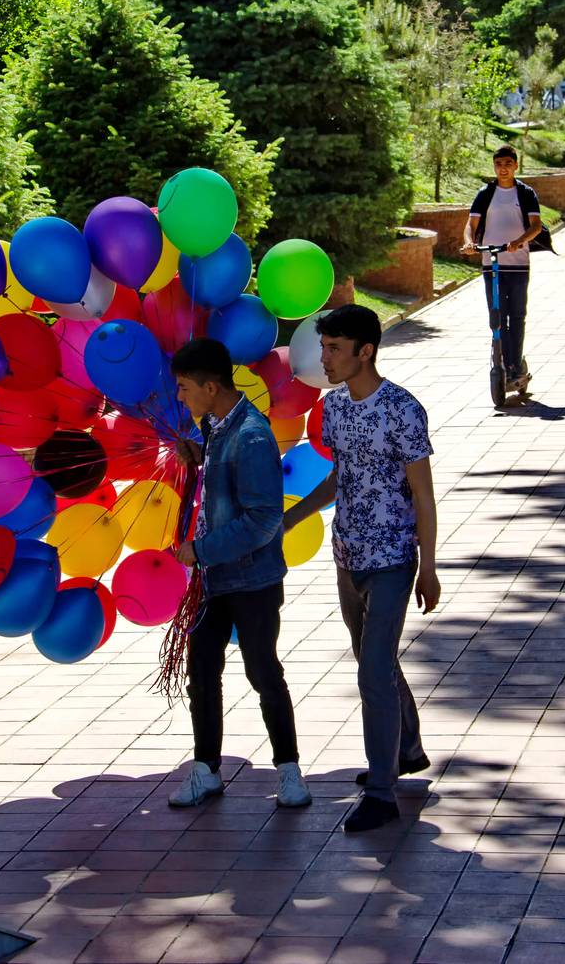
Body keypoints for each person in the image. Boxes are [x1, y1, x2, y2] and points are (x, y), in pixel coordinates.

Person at [282, 305, 440, 834]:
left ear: (365, 351)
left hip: (393, 559)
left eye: (333, 349)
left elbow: (423, 494)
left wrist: (429, 567)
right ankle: (406, 749)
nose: (323, 358)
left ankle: (381, 793)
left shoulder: (402, 410)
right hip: (347, 557)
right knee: (375, 660)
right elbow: (340, 479)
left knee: (373, 670)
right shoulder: (333, 409)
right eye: (323, 347)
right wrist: (293, 516)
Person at [168, 338, 310, 810]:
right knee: (202, 674)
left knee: (263, 671)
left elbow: (263, 520)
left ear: (211, 387)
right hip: (214, 580)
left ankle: (289, 771)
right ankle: (205, 770)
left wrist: (201, 550)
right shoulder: (215, 426)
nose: (181, 396)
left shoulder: (250, 435)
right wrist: (199, 455)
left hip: (251, 580)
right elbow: (225, 482)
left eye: (185, 388)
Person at [461, 145, 544, 385]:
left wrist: (519, 241)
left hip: (518, 264)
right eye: (499, 164)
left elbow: (536, 226)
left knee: (517, 315)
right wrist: (469, 242)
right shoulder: (485, 194)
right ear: (494, 166)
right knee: (497, 316)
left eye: (508, 163)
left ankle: (515, 365)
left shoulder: (525, 193)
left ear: (516, 165)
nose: (503, 168)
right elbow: (471, 225)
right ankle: (504, 363)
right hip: (492, 264)